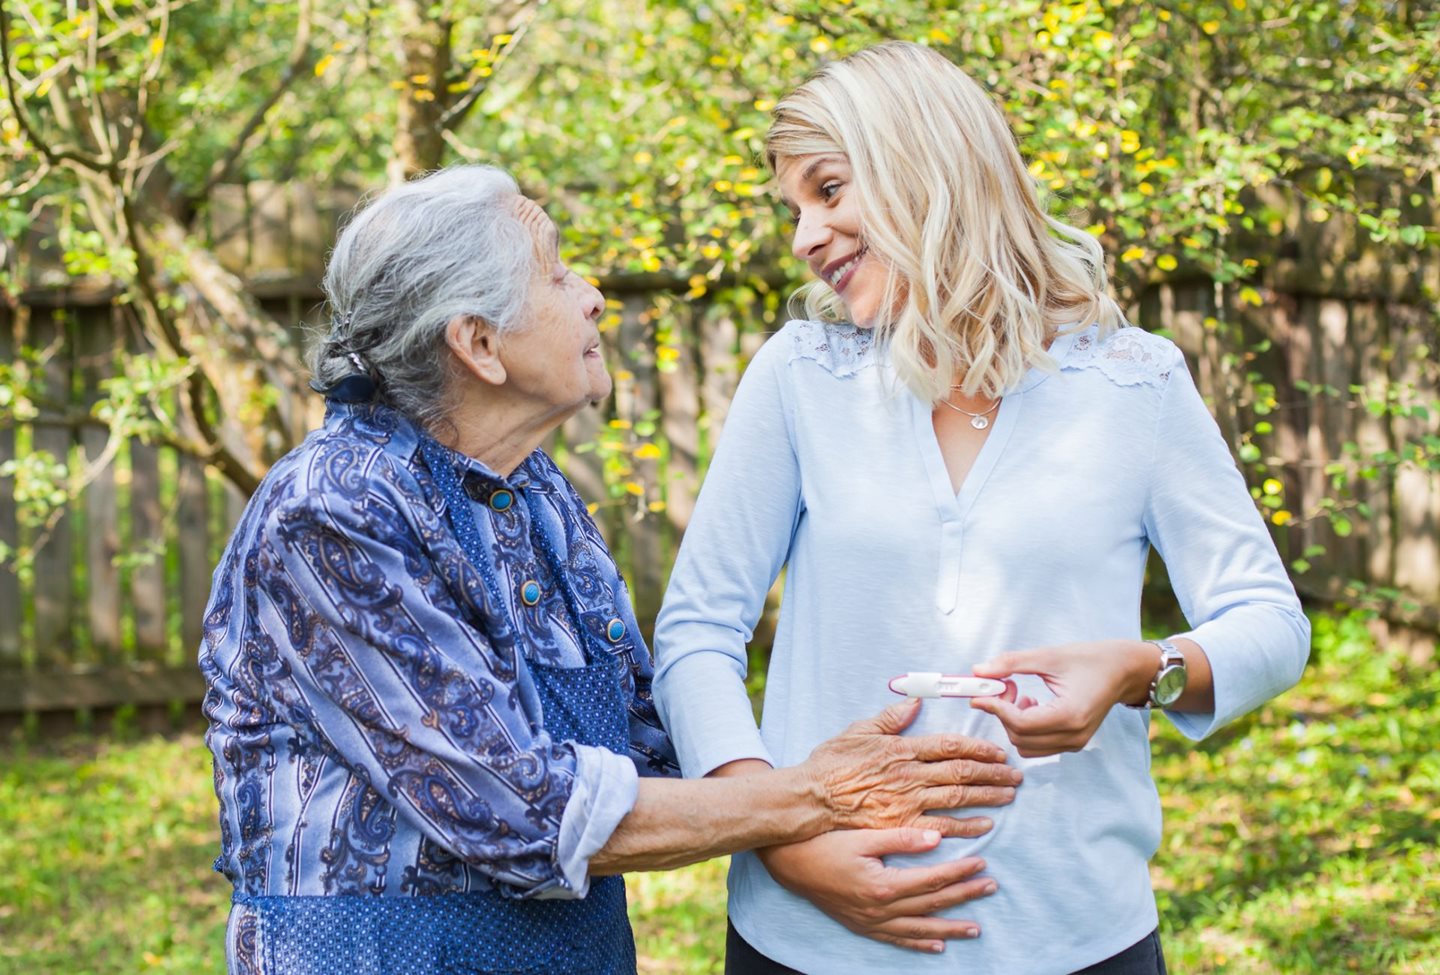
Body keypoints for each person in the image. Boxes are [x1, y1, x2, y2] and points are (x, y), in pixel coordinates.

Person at [199, 164, 1025, 975]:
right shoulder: (335, 508)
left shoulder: (529, 486)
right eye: (556, 273)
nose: (593, 294)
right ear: (478, 344)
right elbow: (517, 812)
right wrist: (811, 796)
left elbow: (643, 734)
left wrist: (812, 792)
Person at [652, 41, 1310, 975]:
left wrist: (1139, 668)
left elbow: (1271, 623)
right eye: (793, 208)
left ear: (925, 168)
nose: (802, 235)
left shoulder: (1134, 381)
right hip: (807, 941)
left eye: (829, 191)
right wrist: (781, 833)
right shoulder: (800, 377)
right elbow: (696, 634)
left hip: (1077, 936)